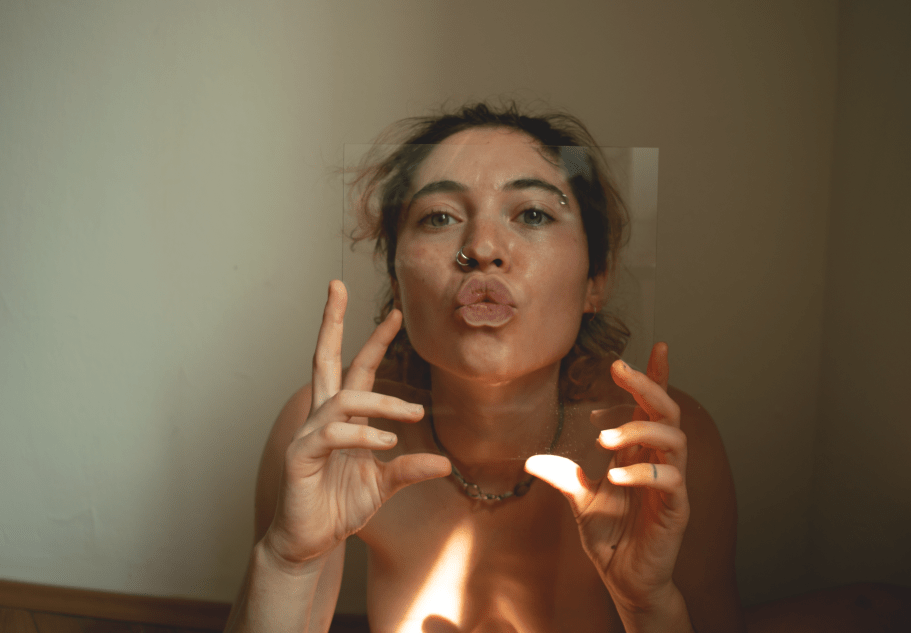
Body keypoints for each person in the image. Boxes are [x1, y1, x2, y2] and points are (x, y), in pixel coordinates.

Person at [224, 102, 745, 632]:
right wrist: (289, 562)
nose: (482, 248)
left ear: (596, 278)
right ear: (397, 279)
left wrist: (647, 603)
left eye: (533, 214)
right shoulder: (329, 436)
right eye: (439, 217)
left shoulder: (659, 450)